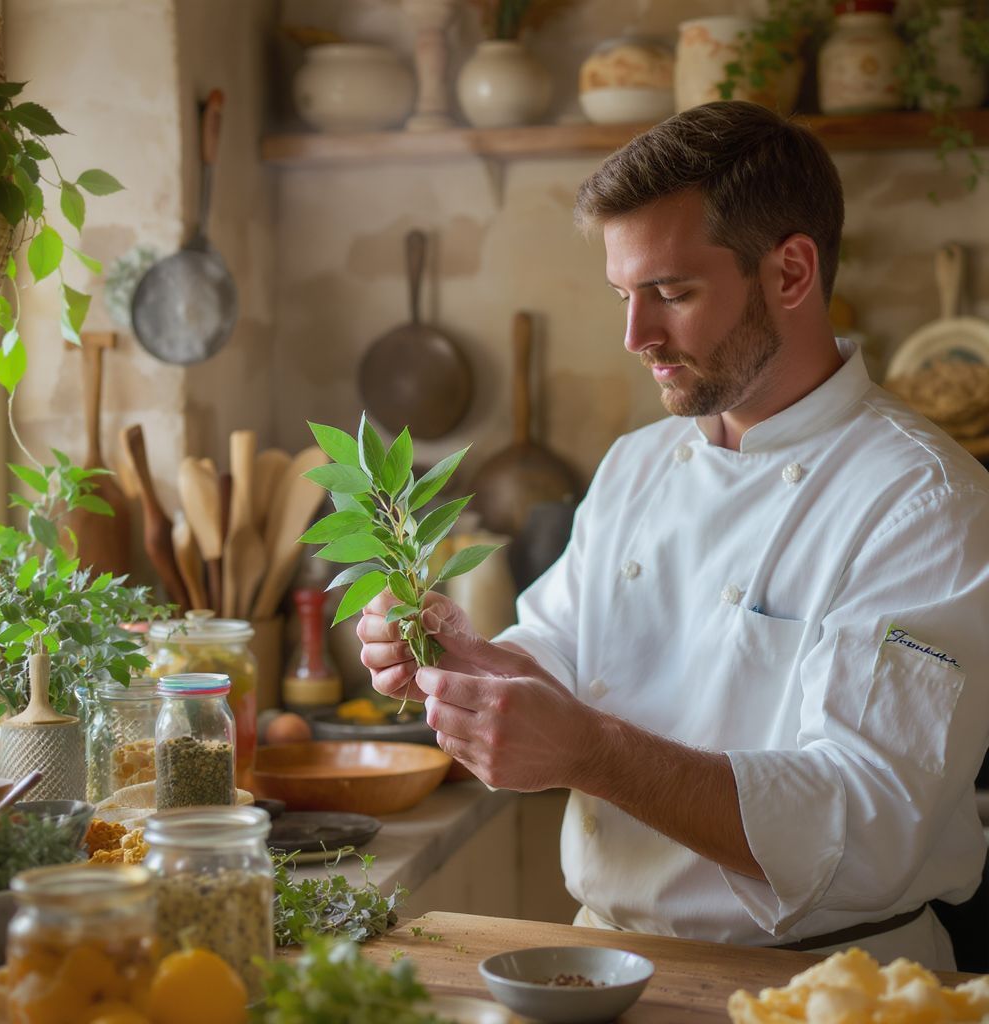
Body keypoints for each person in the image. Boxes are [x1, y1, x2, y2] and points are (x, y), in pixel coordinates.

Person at [357, 101, 989, 969]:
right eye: (623, 295)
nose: (634, 337)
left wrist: (589, 751)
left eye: (672, 293)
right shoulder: (637, 464)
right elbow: (560, 650)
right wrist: (476, 668)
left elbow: (867, 824)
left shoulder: (923, 501)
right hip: (604, 958)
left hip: (831, 983)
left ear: (792, 272)